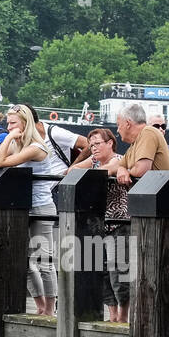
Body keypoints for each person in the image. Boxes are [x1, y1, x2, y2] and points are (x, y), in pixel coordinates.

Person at [0, 104, 58, 316]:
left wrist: (10, 137)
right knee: (24, 262)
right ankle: (39, 305)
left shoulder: (36, 148)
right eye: (8, 123)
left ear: (24, 123)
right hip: (23, 207)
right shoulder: (18, 146)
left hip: (41, 206)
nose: (9, 127)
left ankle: (50, 309)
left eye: (13, 123)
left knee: (44, 261)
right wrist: (11, 138)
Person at [71, 128, 130, 322]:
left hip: (118, 221)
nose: (93, 148)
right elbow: (72, 171)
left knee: (118, 270)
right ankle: (112, 315)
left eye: (97, 144)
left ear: (110, 143)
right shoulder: (95, 162)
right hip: (100, 223)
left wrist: (84, 171)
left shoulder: (119, 159)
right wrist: (80, 166)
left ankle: (123, 316)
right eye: (91, 145)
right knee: (103, 271)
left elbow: (108, 170)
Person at [107, 103, 169, 187]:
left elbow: (141, 170)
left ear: (128, 123)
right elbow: (120, 165)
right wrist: (121, 169)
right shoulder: (134, 144)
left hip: (159, 196)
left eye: (118, 125)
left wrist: (126, 172)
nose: (117, 130)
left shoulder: (148, 132)